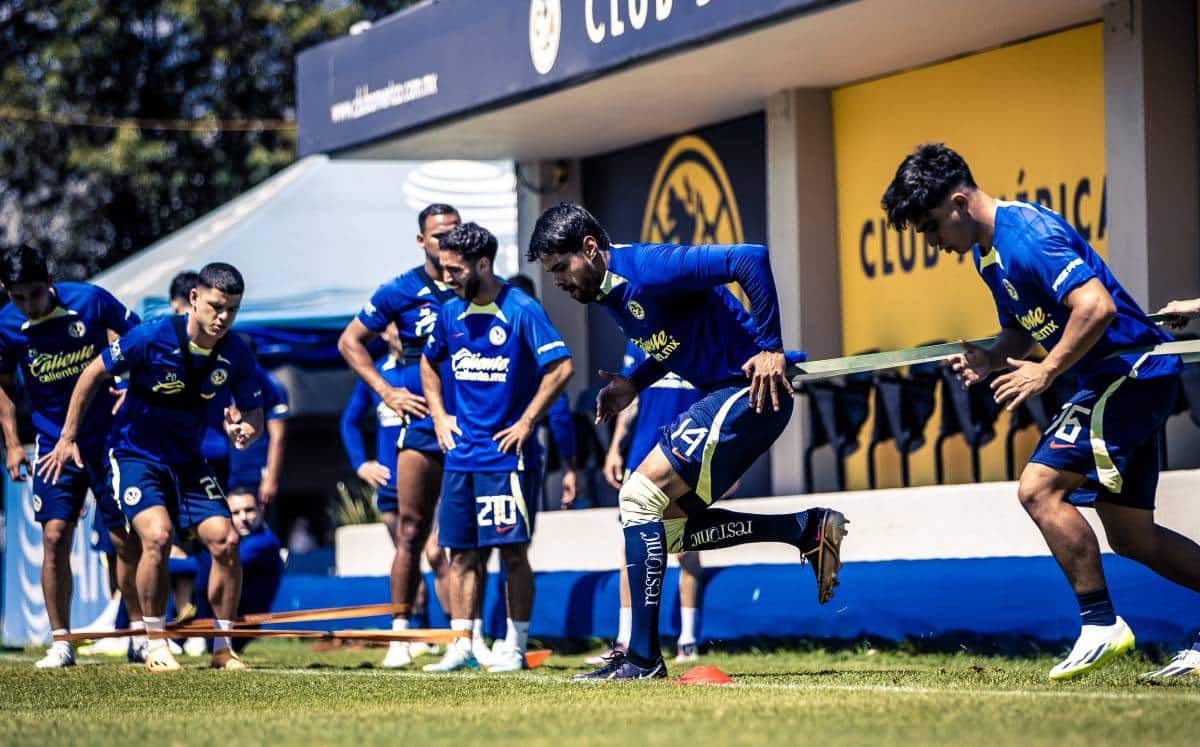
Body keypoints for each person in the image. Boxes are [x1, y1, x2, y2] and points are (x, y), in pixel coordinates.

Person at [881, 143, 1200, 680]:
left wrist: (1045, 371)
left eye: (933, 228)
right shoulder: (989, 255)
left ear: (959, 202)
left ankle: (1100, 625)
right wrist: (993, 357)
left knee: (1038, 487)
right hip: (1118, 382)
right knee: (1132, 537)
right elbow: (1023, 325)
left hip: (1128, 378)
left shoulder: (1027, 236)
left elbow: (1095, 306)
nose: (935, 244)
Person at [528, 203, 847, 680]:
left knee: (637, 495)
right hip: (730, 396)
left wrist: (771, 348)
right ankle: (804, 529)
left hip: (747, 394)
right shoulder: (613, 293)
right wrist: (635, 382)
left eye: (560, 268)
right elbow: (677, 342)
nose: (557, 281)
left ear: (590, 249)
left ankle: (641, 658)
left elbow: (750, 258)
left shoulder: (649, 267)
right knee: (670, 530)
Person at [39, 262, 264, 673]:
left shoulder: (236, 351)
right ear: (194, 299)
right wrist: (67, 436)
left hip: (189, 462)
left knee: (226, 541)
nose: (222, 318)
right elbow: (92, 373)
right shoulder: (152, 335)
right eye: (215, 306)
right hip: (134, 455)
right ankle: (154, 641)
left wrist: (246, 430)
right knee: (156, 538)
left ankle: (223, 647)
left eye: (232, 309)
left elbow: (253, 410)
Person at [420, 222, 574, 673]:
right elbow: (428, 364)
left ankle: (515, 645)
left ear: (482, 264)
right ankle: (462, 644)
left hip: (507, 458)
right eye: (442, 269)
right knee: (460, 553)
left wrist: (527, 421)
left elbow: (561, 367)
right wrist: (439, 415)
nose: (445, 277)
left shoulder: (521, 308)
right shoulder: (449, 312)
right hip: (461, 456)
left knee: (511, 552)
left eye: (452, 270)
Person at [0, 243, 146, 668]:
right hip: (50, 445)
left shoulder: (91, 300)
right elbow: (5, 385)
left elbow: (137, 337)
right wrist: (11, 442)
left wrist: (126, 381)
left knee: (123, 537)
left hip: (105, 439)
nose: (28, 305)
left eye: (34, 294)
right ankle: (61, 642)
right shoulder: (7, 325)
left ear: (50, 282)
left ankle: (138, 633)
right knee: (54, 536)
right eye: (17, 296)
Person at [338, 203, 460, 668]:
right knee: (413, 535)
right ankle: (400, 635)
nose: (446, 242)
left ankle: (466, 638)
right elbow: (349, 342)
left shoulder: (477, 283)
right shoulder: (401, 290)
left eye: (454, 233)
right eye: (437, 235)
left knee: (461, 541)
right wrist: (387, 391)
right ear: (421, 240)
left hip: (469, 425)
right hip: (422, 432)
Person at [339, 321, 449, 660]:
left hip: (429, 478)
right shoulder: (376, 374)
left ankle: (457, 634)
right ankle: (412, 633)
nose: (400, 333)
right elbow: (349, 422)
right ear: (384, 332)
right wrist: (361, 464)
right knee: (408, 553)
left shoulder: (426, 368)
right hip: (390, 486)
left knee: (435, 553)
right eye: (393, 328)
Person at [591, 341, 704, 665]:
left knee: (685, 549)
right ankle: (625, 641)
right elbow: (631, 401)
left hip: (687, 456)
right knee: (632, 549)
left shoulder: (703, 335)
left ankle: (688, 639)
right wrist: (615, 448)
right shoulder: (641, 340)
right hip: (642, 456)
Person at [193, 488, 284, 653]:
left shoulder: (266, 542)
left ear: (261, 509)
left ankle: (189, 635)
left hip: (240, 625)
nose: (243, 518)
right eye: (235, 512)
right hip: (223, 620)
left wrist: (161, 562)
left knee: (209, 562)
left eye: (249, 510)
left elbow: (217, 563)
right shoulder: (239, 540)